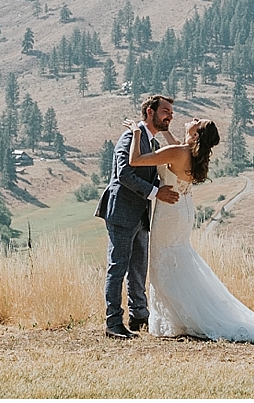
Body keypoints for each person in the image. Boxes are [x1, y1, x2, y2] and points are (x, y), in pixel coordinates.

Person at [123, 115, 254, 343]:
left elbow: (135, 160)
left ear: (196, 135)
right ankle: (180, 316)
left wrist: (135, 132)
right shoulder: (189, 153)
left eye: (197, 121)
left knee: (163, 261)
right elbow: (177, 146)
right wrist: (168, 131)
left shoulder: (177, 152)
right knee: (178, 258)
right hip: (183, 209)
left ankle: (181, 318)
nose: (193, 118)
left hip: (169, 212)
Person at [95, 95, 180, 339]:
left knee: (138, 267)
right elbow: (123, 174)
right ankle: (113, 323)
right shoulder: (130, 137)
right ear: (150, 112)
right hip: (121, 212)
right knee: (118, 267)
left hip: (141, 215)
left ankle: (139, 315)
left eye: (171, 112)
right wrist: (156, 193)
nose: (170, 116)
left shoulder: (151, 142)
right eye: (165, 111)